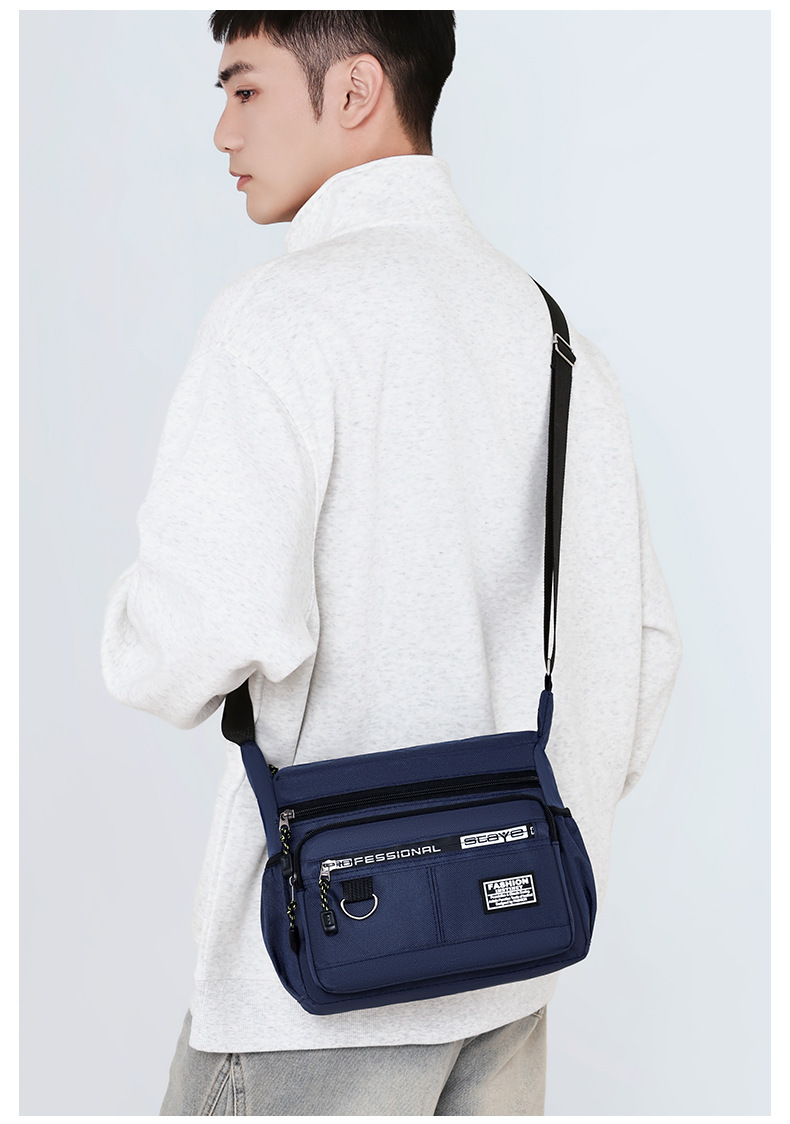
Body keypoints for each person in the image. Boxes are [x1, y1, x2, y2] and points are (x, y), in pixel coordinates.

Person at [100, 10, 683, 1117]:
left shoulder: (277, 319)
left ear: (357, 89)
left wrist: (130, 625)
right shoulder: (551, 335)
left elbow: (184, 641)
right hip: (508, 970)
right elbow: (639, 650)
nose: (223, 131)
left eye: (245, 88)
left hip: (313, 989)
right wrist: (503, 840)